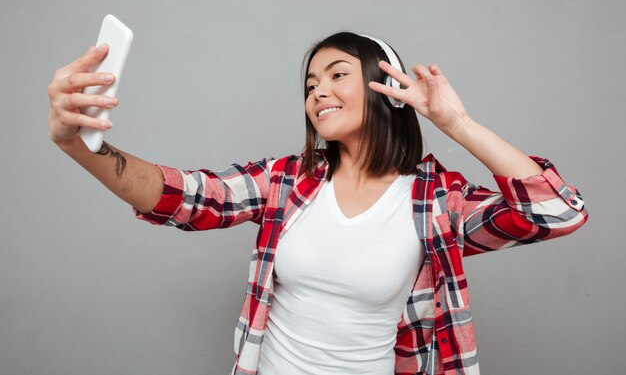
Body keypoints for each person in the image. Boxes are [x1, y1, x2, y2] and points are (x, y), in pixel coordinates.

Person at [47, 32, 588, 375]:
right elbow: (187, 197)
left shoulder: (434, 202)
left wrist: (456, 124)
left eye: (336, 76)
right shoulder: (288, 181)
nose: (317, 93)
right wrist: (78, 143)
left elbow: (556, 210)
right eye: (310, 84)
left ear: (384, 88)